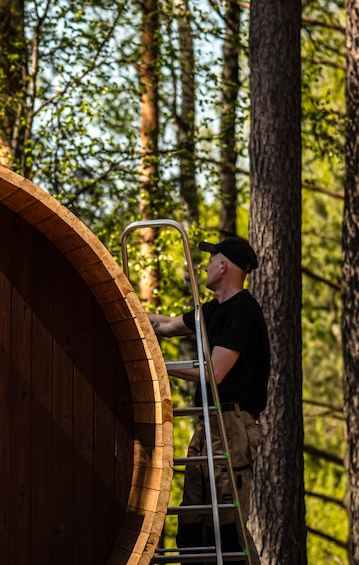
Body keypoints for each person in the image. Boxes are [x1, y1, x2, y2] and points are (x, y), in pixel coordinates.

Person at [148, 236, 269, 564]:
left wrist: (162, 368)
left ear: (222, 265)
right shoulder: (213, 311)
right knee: (193, 524)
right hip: (210, 426)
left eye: (210, 259)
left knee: (227, 528)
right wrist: (127, 310)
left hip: (231, 427)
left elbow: (214, 374)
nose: (204, 266)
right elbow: (169, 325)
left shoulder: (242, 313)